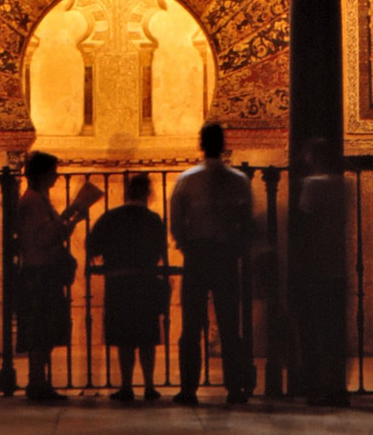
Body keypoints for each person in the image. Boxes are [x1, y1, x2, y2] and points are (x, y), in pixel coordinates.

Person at [169, 122, 252, 406]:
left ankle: (188, 388)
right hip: (225, 254)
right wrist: (237, 248)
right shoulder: (239, 179)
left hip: (198, 254)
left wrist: (185, 244)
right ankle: (235, 388)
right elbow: (247, 220)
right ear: (224, 144)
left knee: (191, 326)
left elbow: (177, 221)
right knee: (230, 325)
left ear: (201, 144)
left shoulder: (187, 179)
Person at [87, 173, 167, 402]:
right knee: (147, 338)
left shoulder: (110, 217)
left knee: (124, 339)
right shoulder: (153, 219)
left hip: (118, 282)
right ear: (148, 194)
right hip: (145, 281)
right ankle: (150, 385)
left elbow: (93, 246)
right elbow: (161, 252)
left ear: (126, 193)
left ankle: (126, 386)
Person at [16, 151, 81, 402]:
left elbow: (46, 230)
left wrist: (69, 217)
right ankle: (37, 382)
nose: (56, 176)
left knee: (45, 329)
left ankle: (39, 381)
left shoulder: (39, 199)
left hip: (43, 270)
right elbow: (42, 237)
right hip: (40, 271)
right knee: (41, 329)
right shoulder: (32, 201)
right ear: (43, 174)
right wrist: (67, 223)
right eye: (53, 171)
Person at [295, 137, 350, 407]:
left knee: (317, 328)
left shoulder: (311, 185)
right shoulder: (344, 184)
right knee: (335, 330)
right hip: (338, 263)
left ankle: (320, 386)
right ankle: (339, 386)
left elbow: (305, 223)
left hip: (316, 265)